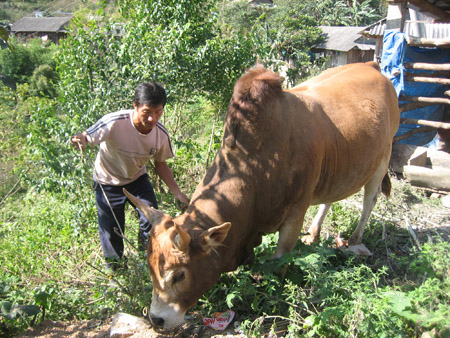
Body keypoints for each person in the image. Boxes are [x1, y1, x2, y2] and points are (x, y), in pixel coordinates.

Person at [71, 82, 190, 271]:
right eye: (147, 111)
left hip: (137, 180)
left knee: (153, 220)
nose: (152, 118)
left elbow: (160, 163)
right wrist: (80, 140)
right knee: (111, 231)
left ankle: (149, 256)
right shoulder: (114, 122)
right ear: (135, 105)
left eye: (158, 112)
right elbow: (87, 136)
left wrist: (177, 192)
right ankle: (117, 270)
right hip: (107, 182)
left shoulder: (160, 135)